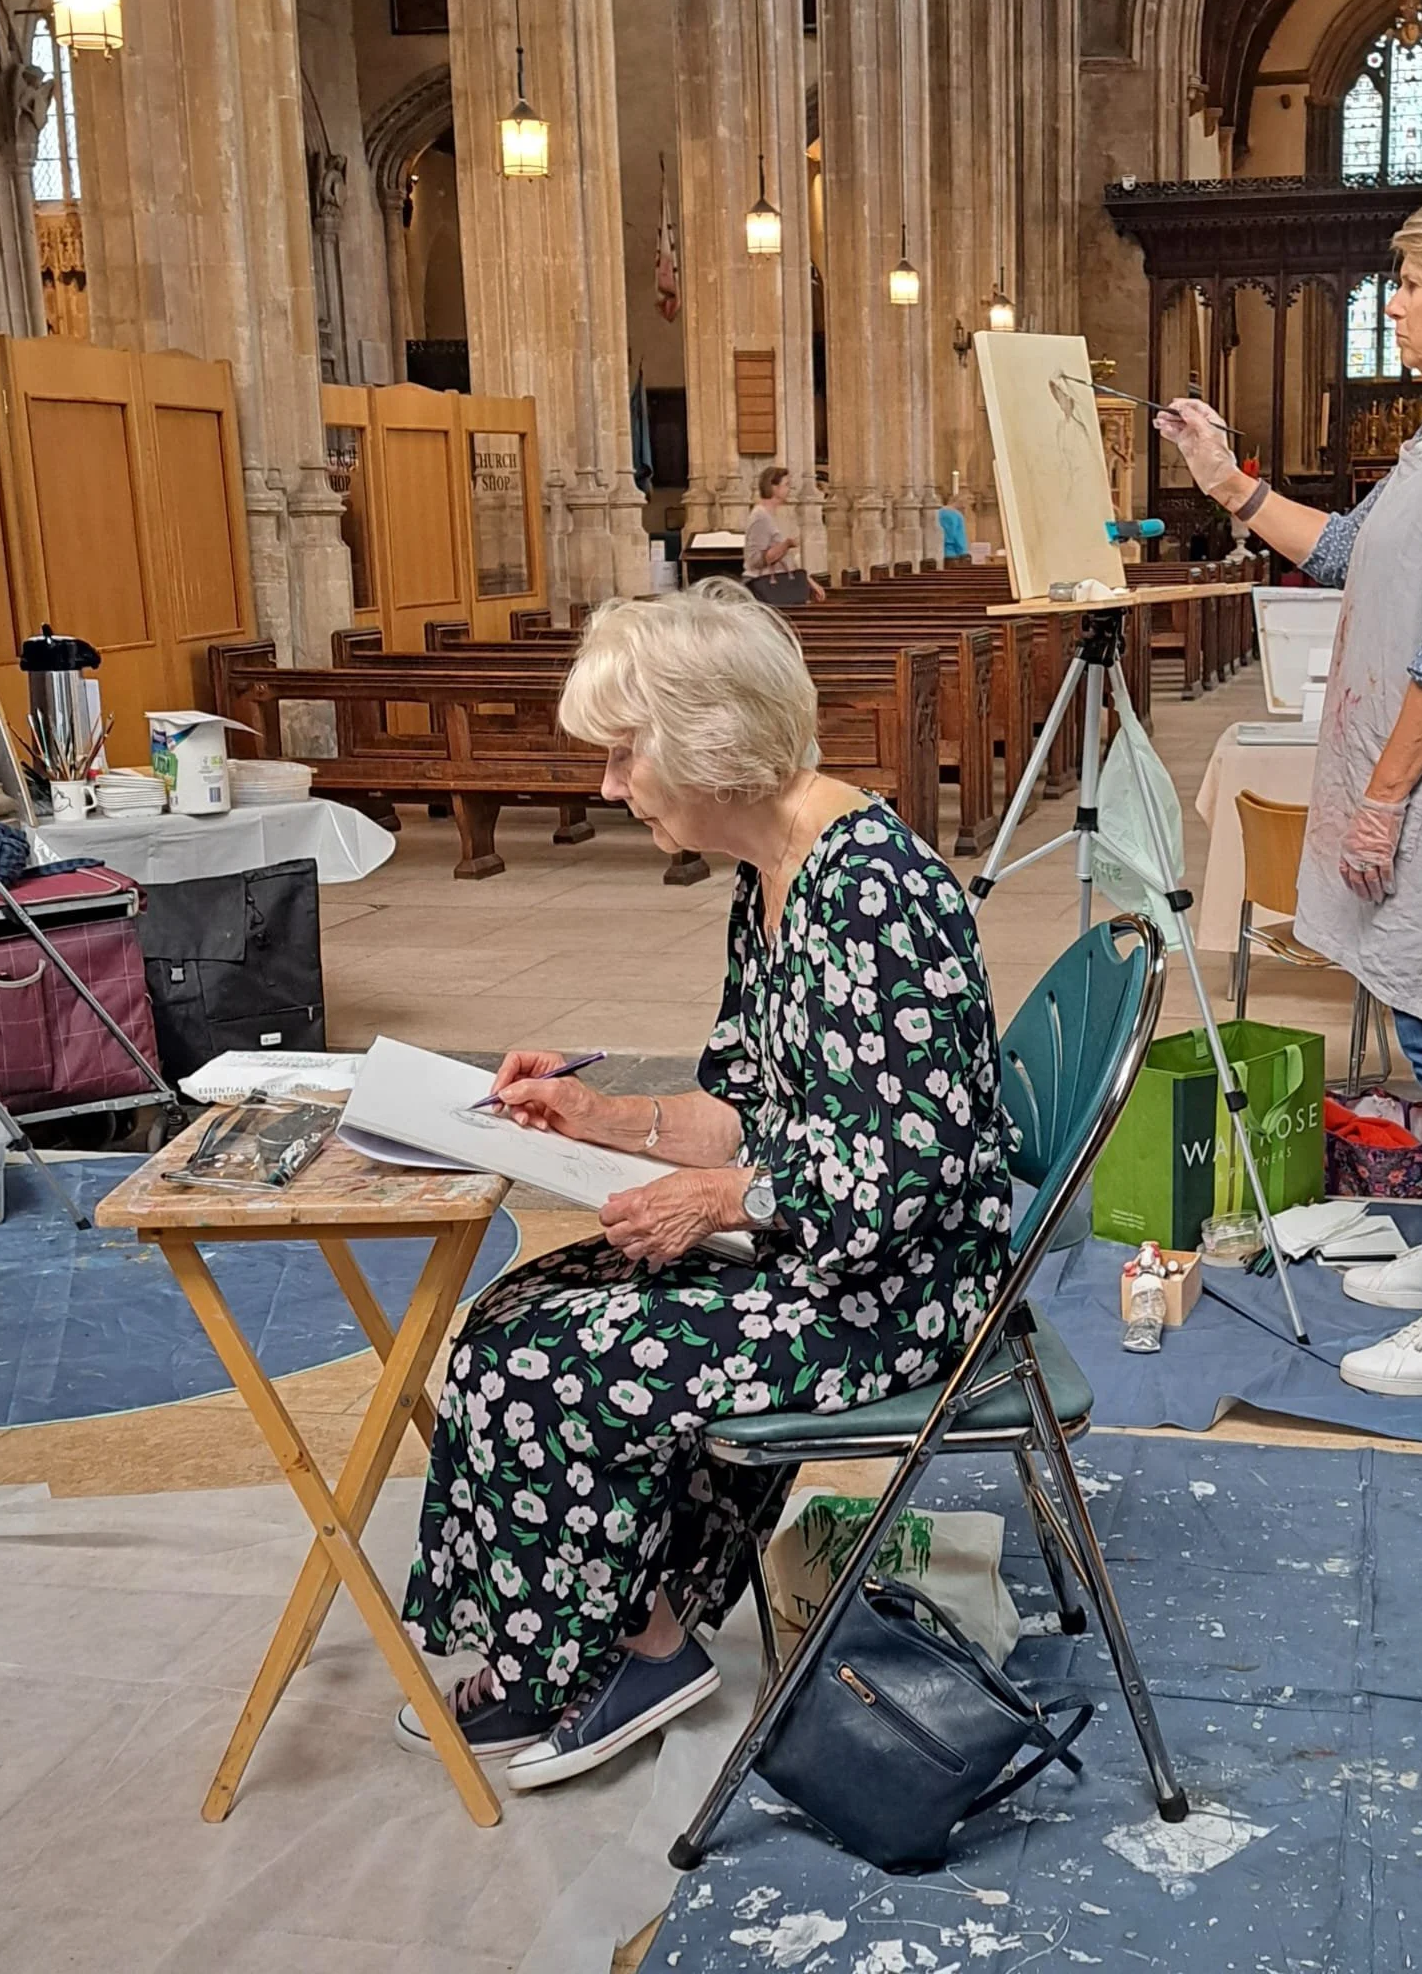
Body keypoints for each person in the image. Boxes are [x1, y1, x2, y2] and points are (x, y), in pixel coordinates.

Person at [397, 584, 1013, 1789]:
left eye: (624, 754)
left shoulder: (869, 891)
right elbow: (749, 1103)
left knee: (548, 1363)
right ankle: (602, 1636)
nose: (609, 786)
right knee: (508, 1318)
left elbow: (899, 1174)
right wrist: (599, 1115)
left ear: (706, 743)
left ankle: (625, 1647)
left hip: (901, 1288)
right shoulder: (770, 870)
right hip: (825, 1249)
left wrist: (720, 1201)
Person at [1156, 189, 1422, 1400]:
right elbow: (1340, 550)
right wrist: (1225, 479)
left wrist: (1381, 799)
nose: (1393, 303)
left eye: (1412, 283)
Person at [742, 465, 825, 602]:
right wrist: (786, 545)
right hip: (764, 586)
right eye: (786, 484)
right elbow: (755, 560)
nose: (789, 489)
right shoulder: (760, 516)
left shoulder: (771, 515)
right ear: (774, 487)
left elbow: (786, 560)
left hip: (778, 584)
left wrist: (809, 582)